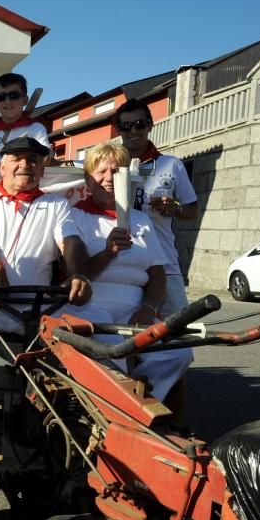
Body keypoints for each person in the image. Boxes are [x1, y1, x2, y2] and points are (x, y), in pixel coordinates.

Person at [0, 137, 91, 420]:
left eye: (32, 160)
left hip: (38, 308)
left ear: (42, 169)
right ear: (2, 166)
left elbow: (71, 242)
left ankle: (55, 415)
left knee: (77, 339)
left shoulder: (56, 205)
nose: (24, 165)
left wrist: (78, 273)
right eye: (16, 159)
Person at [65, 142, 192, 412]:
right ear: (88, 178)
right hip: (91, 304)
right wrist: (108, 252)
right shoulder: (74, 216)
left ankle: (141, 406)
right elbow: (73, 274)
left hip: (136, 309)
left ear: (127, 177)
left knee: (179, 352)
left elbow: (157, 272)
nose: (109, 178)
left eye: (116, 171)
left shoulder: (140, 219)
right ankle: (117, 412)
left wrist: (149, 308)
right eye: (101, 172)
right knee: (113, 347)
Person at [115, 98, 199, 317]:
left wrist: (175, 208)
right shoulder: (109, 166)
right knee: (122, 333)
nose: (133, 130)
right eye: (126, 126)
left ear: (150, 125)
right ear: (118, 130)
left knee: (175, 332)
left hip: (165, 262)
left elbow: (192, 211)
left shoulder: (171, 164)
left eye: (139, 124)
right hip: (122, 262)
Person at [0, 73, 50, 168]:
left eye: (14, 95)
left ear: (25, 100)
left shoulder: (35, 128)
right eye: (2, 97)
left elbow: (45, 158)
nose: (7, 101)